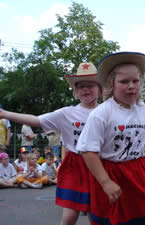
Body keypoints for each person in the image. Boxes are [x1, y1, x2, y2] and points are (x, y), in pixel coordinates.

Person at [76, 52, 145, 225]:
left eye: (135, 81)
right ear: (112, 84)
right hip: (112, 174)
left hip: (140, 172)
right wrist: (105, 182)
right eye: (124, 82)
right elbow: (88, 151)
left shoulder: (144, 111)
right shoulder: (102, 113)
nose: (131, 86)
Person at [0, 62, 102, 225]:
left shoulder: (107, 112)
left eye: (90, 85)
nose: (85, 89)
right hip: (75, 166)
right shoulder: (66, 113)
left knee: (96, 217)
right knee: (69, 217)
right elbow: (36, 120)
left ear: (100, 88)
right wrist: (5, 113)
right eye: (80, 86)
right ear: (75, 91)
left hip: (100, 166)